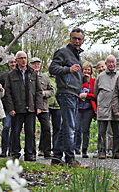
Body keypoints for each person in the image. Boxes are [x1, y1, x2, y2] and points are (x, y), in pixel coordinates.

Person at [49, 28, 87, 168]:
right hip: (66, 93)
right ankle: (70, 160)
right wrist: (69, 69)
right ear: (70, 39)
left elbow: (72, 74)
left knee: (66, 127)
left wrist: (82, 79)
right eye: (75, 38)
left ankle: (57, 159)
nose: (77, 41)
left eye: (79, 39)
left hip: (73, 93)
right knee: (70, 127)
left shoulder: (77, 55)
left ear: (82, 41)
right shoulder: (63, 52)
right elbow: (53, 69)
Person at [3, 51, 43, 161]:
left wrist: (38, 106)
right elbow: (8, 93)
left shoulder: (32, 73)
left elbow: (39, 91)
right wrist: (10, 108)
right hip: (17, 108)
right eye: (21, 58)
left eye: (25, 58)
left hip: (30, 108)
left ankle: (29, 153)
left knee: (30, 132)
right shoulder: (11, 75)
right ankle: (15, 153)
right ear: (16, 60)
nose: (24, 60)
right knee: (16, 132)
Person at [95, 55, 119, 159]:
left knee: (117, 132)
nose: (111, 64)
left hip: (116, 108)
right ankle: (101, 152)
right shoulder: (100, 76)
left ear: (115, 63)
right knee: (102, 131)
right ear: (106, 64)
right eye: (109, 62)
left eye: (113, 62)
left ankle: (116, 152)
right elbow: (96, 92)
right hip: (103, 108)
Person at [29, 57, 54, 159]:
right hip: (31, 107)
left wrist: (45, 93)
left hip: (43, 107)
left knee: (47, 129)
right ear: (30, 65)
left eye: (38, 64)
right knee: (31, 130)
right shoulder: (28, 76)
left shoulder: (45, 77)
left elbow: (51, 91)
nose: (37, 66)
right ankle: (32, 152)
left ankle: (47, 151)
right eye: (34, 64)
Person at [74, 62, 96, 158]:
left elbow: (95, 95)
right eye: (85, 69)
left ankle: (85, 149)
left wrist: (87, 95)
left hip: (88, 108)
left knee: (85, 129)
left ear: (91, 71)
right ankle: (76, 147)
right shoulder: (78, 81)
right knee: (76, 128)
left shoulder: (94, 82)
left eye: (88, 69)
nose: (87, 71)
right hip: (78, 107)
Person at [0, 56, 17, 158]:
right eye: (11, 62)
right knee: (6, 127)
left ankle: (11, 149)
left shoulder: (20, 75)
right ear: (8, 63)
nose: (13, 64)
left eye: (15, 62)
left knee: (15, 129)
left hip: (18, 107)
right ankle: (4, 149)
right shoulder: (3, 76)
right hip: (6, 107)